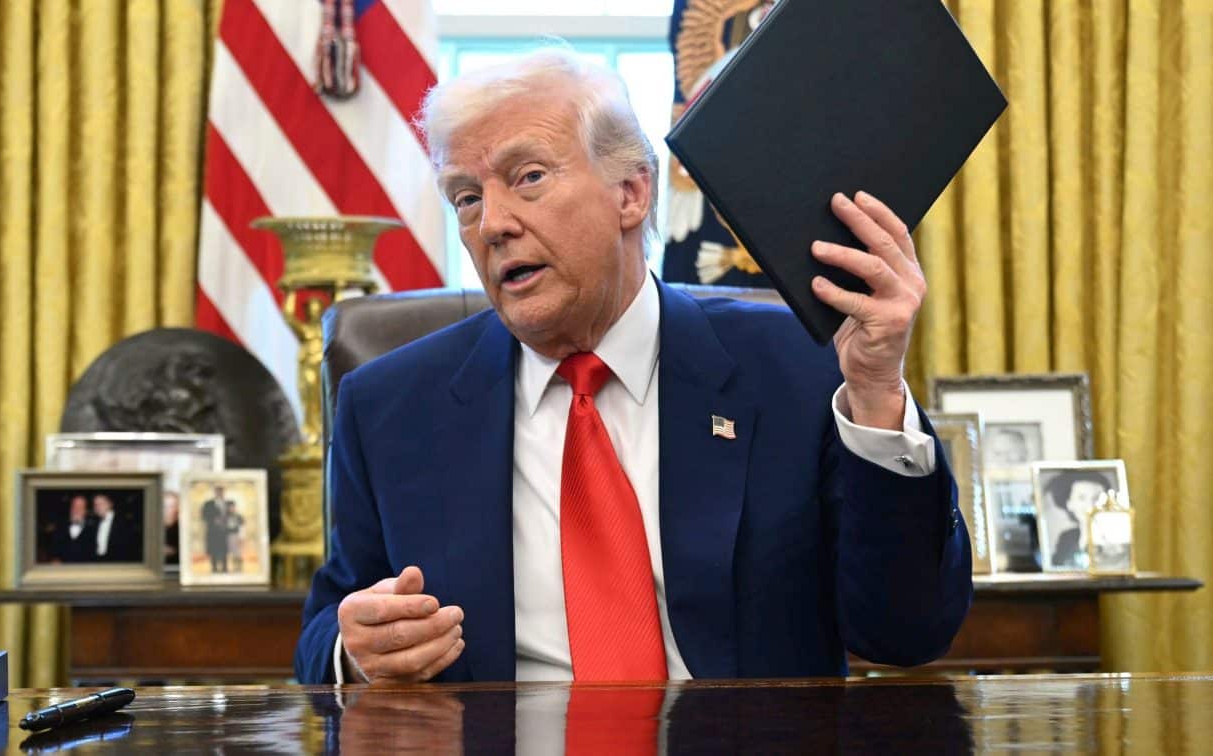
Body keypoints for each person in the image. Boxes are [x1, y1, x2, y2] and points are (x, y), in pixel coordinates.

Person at [295, 49, 970, 685]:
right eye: (466, 198)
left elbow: (907, 633)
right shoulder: (389, 406)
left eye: (529, 177)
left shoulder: (799, 367)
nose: (492, 222)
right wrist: (353, 651)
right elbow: (325, 630)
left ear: (631, 192)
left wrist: (876, 393)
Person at [1044, 470, 1111, 569]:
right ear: (1069, 503)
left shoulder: (1115, 539)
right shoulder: (1067, 538)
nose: (1090, 505)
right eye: (1081, 498)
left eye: (1097, 498)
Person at [92, 493, 141, 562]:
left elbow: (130, 548)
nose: (98, 507)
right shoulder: (93, 524)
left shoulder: (124, 522)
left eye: (101, 504)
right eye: (95, 504)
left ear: (110, 504)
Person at [51, 495, 97, 563]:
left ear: (86, 511)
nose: (77, 510)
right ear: (70, 508)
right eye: (74, 506)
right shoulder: (60, 527)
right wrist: (55, 559)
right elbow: (54, 551)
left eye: (81, 507)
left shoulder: (94, 530)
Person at [201, 486, 230, 574]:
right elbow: (204, 516)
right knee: (213, 549)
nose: (220, 493)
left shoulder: (228, 503)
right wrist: (214, 519)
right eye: (218, 492)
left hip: (224, 531)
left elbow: (232, 515)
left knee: (224, 549)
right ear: (215, 492)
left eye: (221, 492)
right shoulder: (208, 504)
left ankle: (224, 568)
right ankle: (214, 568)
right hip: (213, 531)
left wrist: (225, 521)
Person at [225, 500, 245, 573]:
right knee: (233, 552)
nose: (231, 508)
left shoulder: (239, 516)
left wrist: (241, 537)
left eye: (232, 507)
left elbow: (242, 527)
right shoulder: (226, 516)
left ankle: (239, 567)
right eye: (230, 507)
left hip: (237, 536)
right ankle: (234, 567)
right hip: (228, 536)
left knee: (238, 552)